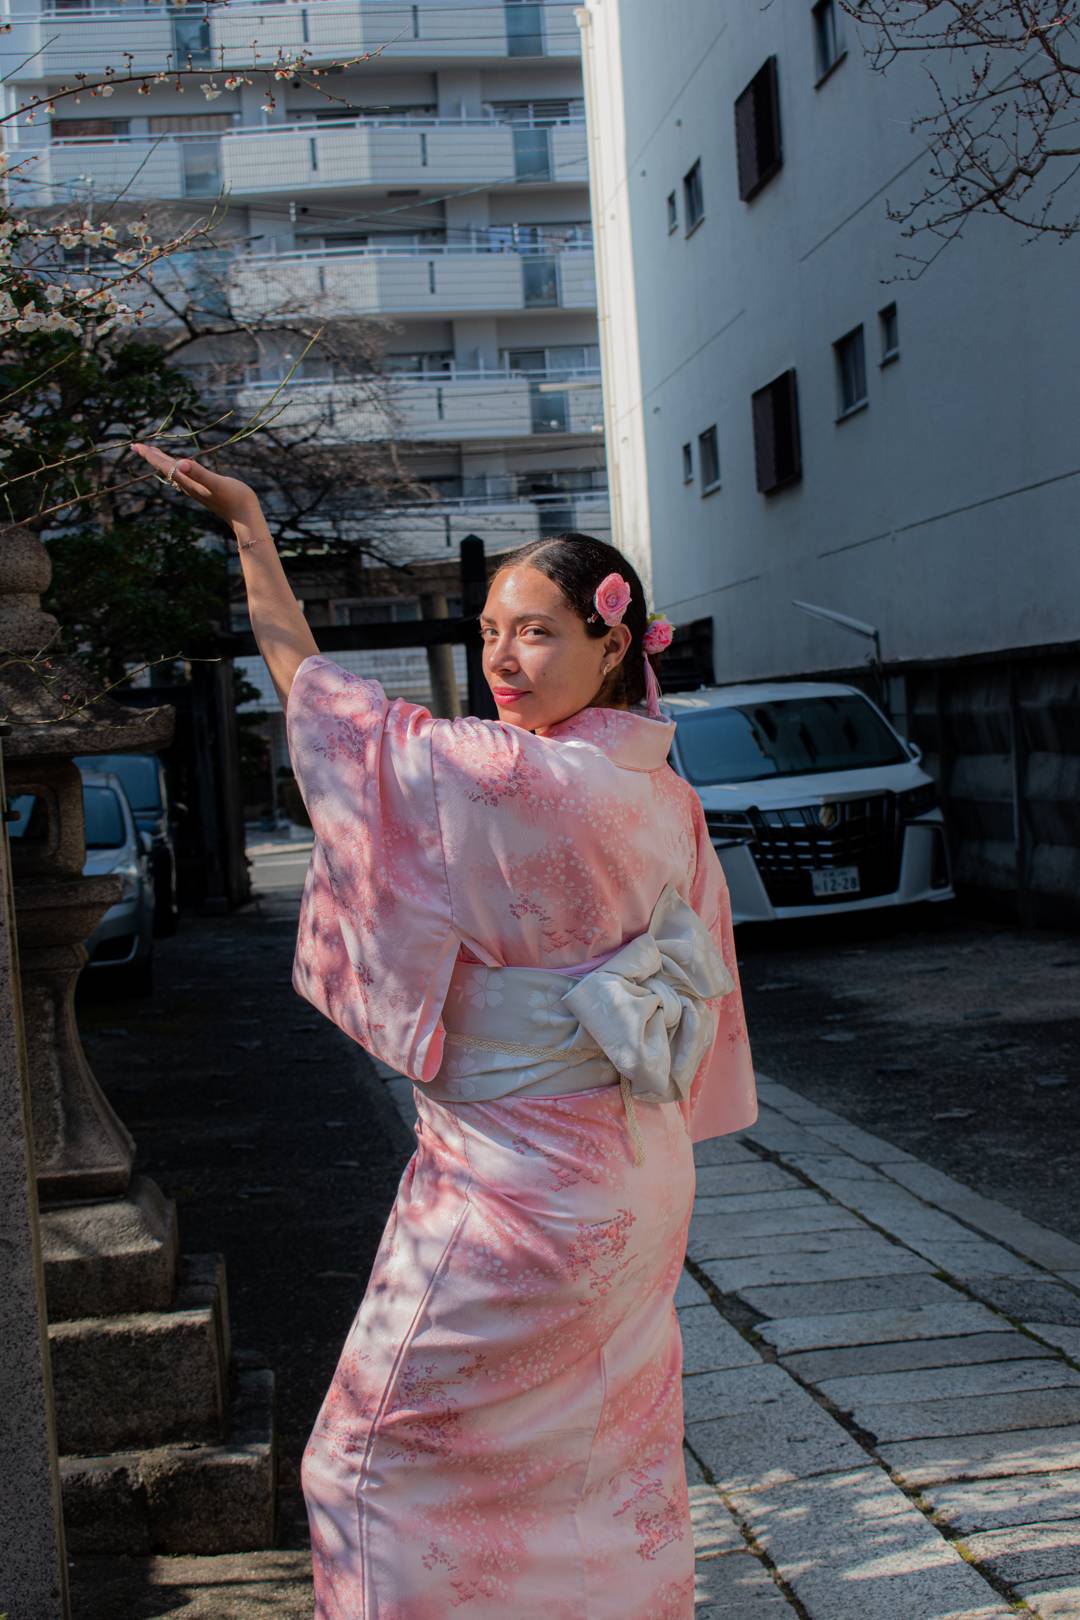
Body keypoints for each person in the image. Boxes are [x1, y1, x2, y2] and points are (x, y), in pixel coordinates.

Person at [132, 443, 757, 1620]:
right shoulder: (663, 794)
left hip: (520, 1180)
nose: (503, 660)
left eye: (537, 632)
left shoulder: (515, 780)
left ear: (614, 642)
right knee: (598, 1459)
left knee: (368, 1466)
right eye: (490, 630)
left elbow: (319, 704)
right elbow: (703, 983)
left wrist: (254, 533)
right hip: (631, 1169)